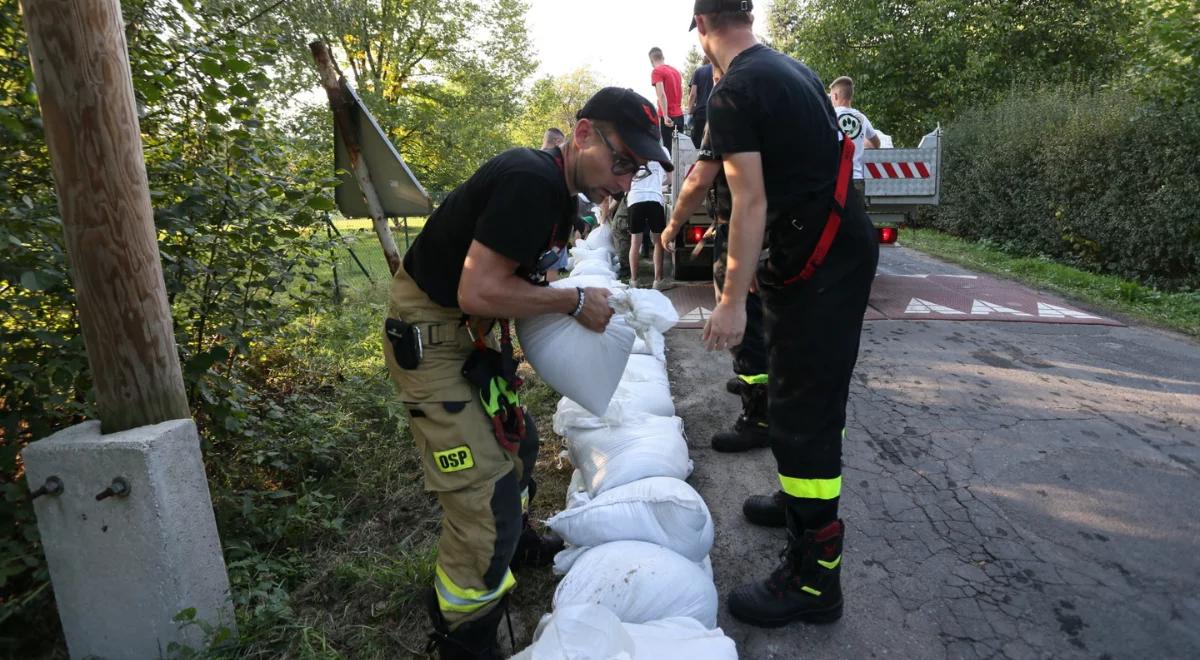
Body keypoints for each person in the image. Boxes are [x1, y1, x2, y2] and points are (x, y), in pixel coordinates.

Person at [385, 87, 672, 658]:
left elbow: (521, 281)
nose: (622, 182)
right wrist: (569, 302)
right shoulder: (529, 180)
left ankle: (511, 549)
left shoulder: (561, 197)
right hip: (434, 340)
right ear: (583, 133)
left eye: (634, 171)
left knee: (521, 445)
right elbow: (480, 287)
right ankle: (464, 631)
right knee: (484, 496)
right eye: (620, 163)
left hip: (470, 336)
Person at [690, 0, 879, 628]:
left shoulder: (734, 89)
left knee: (802, 410)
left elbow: (748, 200)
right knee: (816, 398)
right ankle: (801, 503)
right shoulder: (791, 68)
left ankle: (814, 579)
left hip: (815, 261)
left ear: (700, 28)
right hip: (836, 247)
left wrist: (730, 300)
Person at [662, 95, 769, 452]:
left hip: (742, 227)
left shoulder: (730, 106)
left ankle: (759, 417)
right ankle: (758, 384)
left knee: (746, 322)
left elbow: (698, 180)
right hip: (782, 228)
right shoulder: (784, 108)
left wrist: (673, 225)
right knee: (768, 316)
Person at [828, 76, 880, 194]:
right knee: (855, 213)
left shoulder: (829, 116)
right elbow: (876, 144)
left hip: (835, 180)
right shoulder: (862, 118)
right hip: (856, 179)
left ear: (835, 96)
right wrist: (860, 143)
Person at [626, 160, 672, 289]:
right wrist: (656, 182)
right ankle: (658, 281)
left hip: (635, 199)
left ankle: (634, 281)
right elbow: (669, 178)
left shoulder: (631, 149)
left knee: (635, 242)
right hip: (654, 198)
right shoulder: (661, 151)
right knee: (658, 241)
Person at [648, 47, 684, 150]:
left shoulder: (656, 71)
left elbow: (661, 95)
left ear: (651, 61)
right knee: (679, 152)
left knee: (669, 152)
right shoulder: (676, 71)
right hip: (680, 116)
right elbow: (680, 92)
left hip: (668, 118)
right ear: (663, 57)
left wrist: (665, 115)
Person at [688, 55, 715, 148]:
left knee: (697, 145)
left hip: (701, 113)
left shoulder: (699, 71)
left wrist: (690, 111)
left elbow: (693, 94)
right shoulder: (722, 69)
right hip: (716, 113)